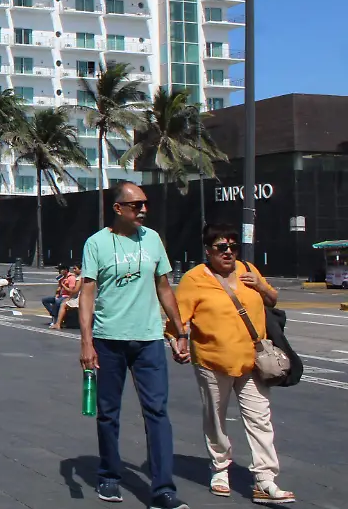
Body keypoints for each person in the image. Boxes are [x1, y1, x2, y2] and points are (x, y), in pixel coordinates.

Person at [78, 181, 189, 509]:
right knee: (108, 413)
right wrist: (86, 343)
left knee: (157, 413)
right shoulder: (96, 243)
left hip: (149, 340)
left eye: (145, 204)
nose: (143, 210)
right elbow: (87, 293)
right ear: (118, 209)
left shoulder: (152, 239)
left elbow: (164, 287)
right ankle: (109, 475)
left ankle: (162, 490)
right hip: (109, 339)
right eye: (136, 205)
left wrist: (179, 331)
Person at [166, 224, 295, 503]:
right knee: (216, 417)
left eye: (233, 247)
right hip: (213, 361)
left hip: (252, 361)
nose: (228, 252)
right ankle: (220, 468)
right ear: (208, 250)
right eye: (221, 247)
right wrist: (177, 340)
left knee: (260, 418)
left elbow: (272, 299)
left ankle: (265, 479)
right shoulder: (195, 279)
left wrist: (260, 285)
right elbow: (179, 318)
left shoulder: (248, 270)